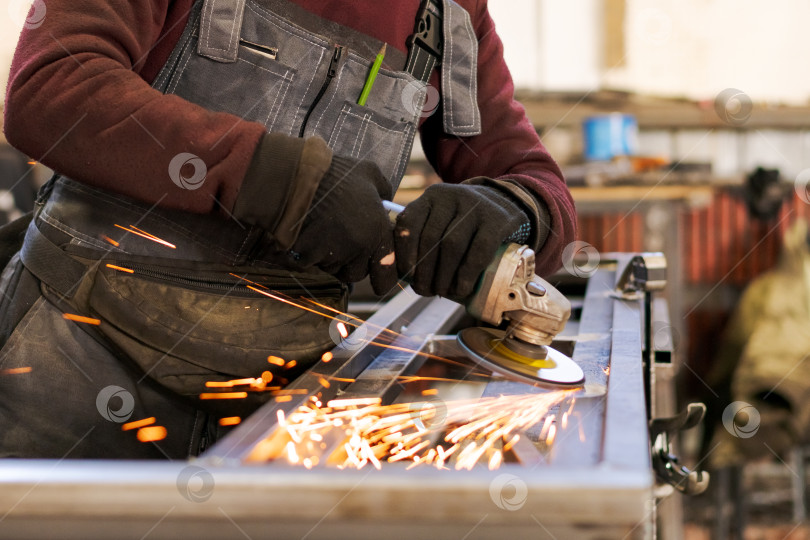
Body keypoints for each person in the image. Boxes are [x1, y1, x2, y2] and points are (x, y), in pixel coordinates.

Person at [0, 0, 576, 459]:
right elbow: (52, 88)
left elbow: (537, 183)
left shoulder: (449, 11)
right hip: (77, 361)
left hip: (283, 396)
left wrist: (510, 208)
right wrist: (274, 177)